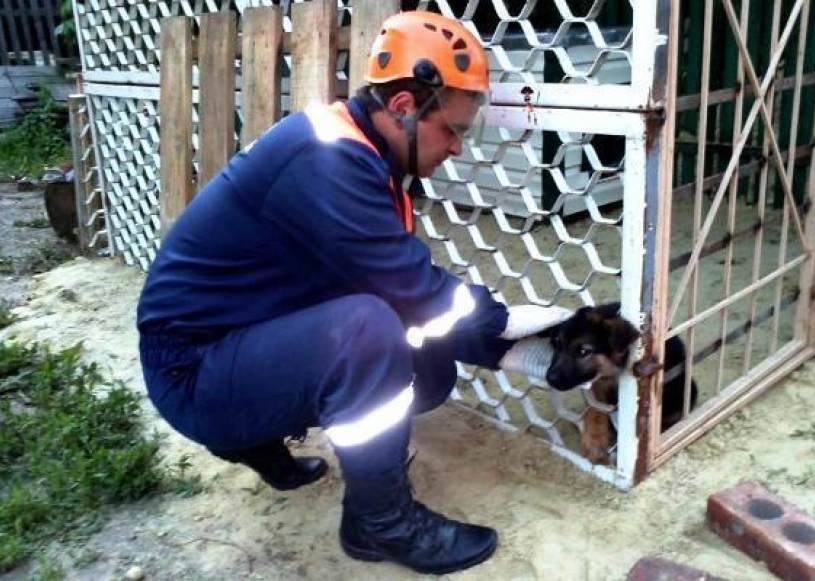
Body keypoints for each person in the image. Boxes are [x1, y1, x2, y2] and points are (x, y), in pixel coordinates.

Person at [137, 10, 568, 575]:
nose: (459, 147)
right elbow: (414, 290)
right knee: (367, 331)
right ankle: (380, 523)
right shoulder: (330, 159)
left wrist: (522, 351)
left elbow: (412, 301)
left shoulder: (359, 149)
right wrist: (524, 326)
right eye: (454, 129)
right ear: (405, 108)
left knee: (427, 366)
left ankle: (255, 435)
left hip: (229, 342)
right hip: (192, 368)